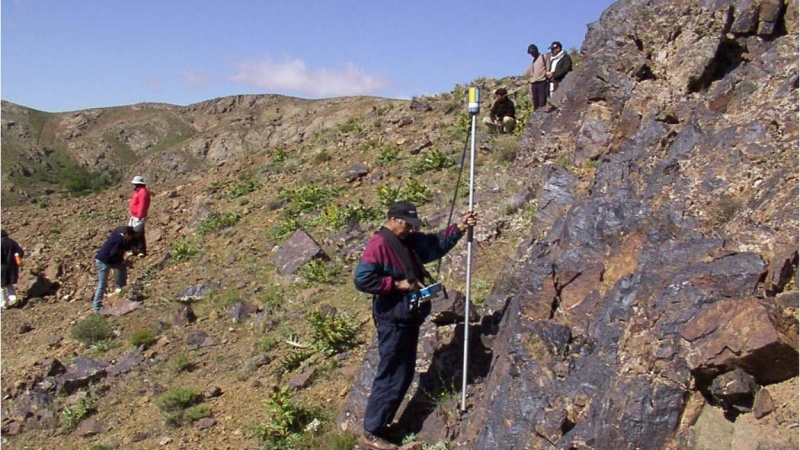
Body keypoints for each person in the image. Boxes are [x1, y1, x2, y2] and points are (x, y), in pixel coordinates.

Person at [353, 201, 478, 450]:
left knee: (403, 372)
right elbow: (362, 279)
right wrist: (397, 285)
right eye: (409, 225)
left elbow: (434, 245)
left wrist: (460, 228)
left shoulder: (407, 240)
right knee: (392, 373)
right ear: (396, 220)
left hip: (408, 317)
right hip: (393, 319)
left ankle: (382, 425)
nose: (412, 229)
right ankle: (373, 430)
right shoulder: (379, 244)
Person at [92, 226, 136, 312]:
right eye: (130, 237)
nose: (130, 239)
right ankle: (97, 306)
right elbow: (113, 253)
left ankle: (122, 288)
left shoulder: (117, 237)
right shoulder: (119, 240)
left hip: (103, 259)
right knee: (102, 283)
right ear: (127, 235)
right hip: (104, 261)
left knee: (121, 267)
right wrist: (119, 261)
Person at [1, 230, 25, 309]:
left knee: (1, 286)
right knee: (9, 283)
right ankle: (13, 298)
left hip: (2, 267)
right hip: (13, 266)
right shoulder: (12, 242)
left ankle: (2, 304)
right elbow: (21, 252)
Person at [128, 175, 151, 256]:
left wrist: (139, 216)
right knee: (132, 232)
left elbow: (142, 205)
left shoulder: (143, 192)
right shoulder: (138, 191)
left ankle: (141, 250)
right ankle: (134, 249)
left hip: (139, 216)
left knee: (138, 233)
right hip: (134, 216)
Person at [526, 44, 550, 110]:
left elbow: (548, 68)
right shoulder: (533, 61)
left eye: (532, 52)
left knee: (542, 102)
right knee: (535, 103)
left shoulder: (543, 57)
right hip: (534, 83)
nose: (532, 54)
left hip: (542, 82)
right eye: (531, 53)